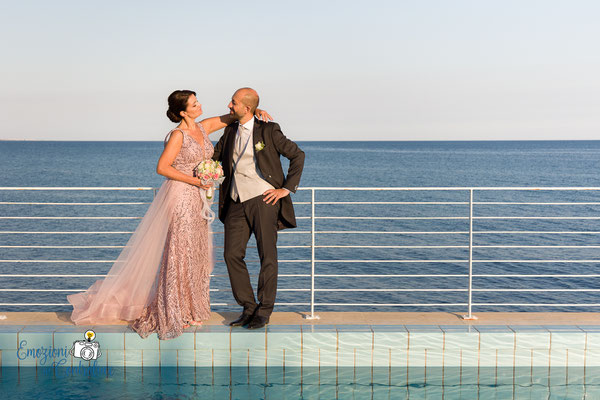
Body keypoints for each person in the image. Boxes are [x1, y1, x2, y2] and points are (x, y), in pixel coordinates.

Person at [67, 90, 271, 340]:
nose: (200, 105)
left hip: (198, 199)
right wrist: (196, 180)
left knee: (196, 253)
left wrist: (258, 112)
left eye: (198, 102)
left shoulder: (204, 127)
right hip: (181, 197)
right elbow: (162, 167)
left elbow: (235, 116)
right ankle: (173, 310)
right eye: (194, 104)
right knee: (179, 252)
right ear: (183, 112)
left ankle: (191, 308)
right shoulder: (178, 135)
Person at [213, 88, 305, 330]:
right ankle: (248, 307)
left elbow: (298, 155)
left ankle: (264, 310)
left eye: (233, 102)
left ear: (246, 107)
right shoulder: (230, 130)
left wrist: (286, 188)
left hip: (264, 199)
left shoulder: (269, 130)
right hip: (234, 200)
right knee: (231, 255)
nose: (229, 105)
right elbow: (215, 157)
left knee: (267, 256)